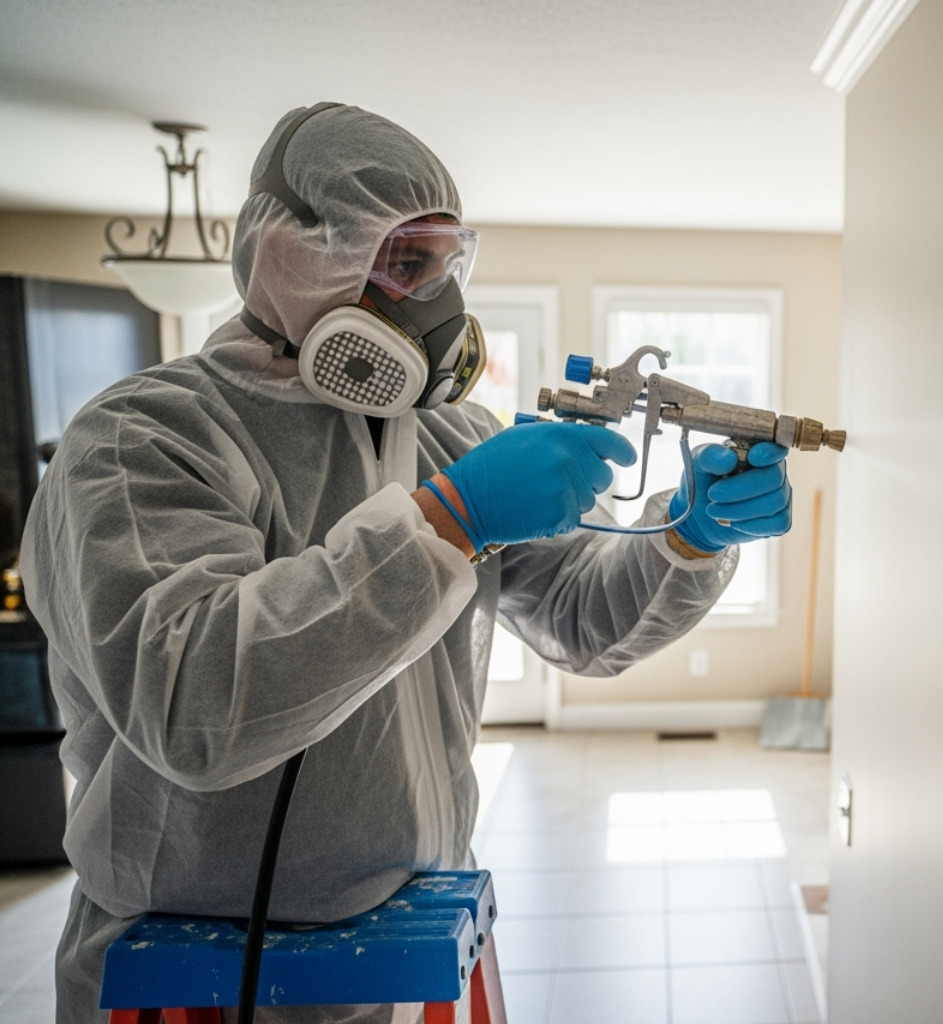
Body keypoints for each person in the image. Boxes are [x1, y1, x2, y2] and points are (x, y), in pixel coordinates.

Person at [19, 103, 792, 1022]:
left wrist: (686, 540)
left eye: (447, 266)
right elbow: (193, 703)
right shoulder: (140, 438)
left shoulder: (449, 435)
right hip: (196, 961)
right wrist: (447, 522)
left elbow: (582, 622)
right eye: (401, 262)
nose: (435, 305)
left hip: (408, 933)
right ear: (285, 250)